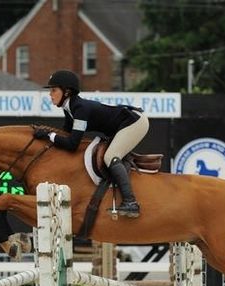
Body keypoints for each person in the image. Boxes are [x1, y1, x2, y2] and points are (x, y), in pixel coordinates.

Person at [34, 69, 149, 218]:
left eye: (54, 90)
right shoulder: (69, 109)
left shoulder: (80, 109)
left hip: (134, 122)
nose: (50, 94)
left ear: (67, 92)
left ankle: (131, 202)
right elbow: (65, 136)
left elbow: (72, 144)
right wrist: (48, 135)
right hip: (121, 125)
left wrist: (49, 134)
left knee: (110, 157)